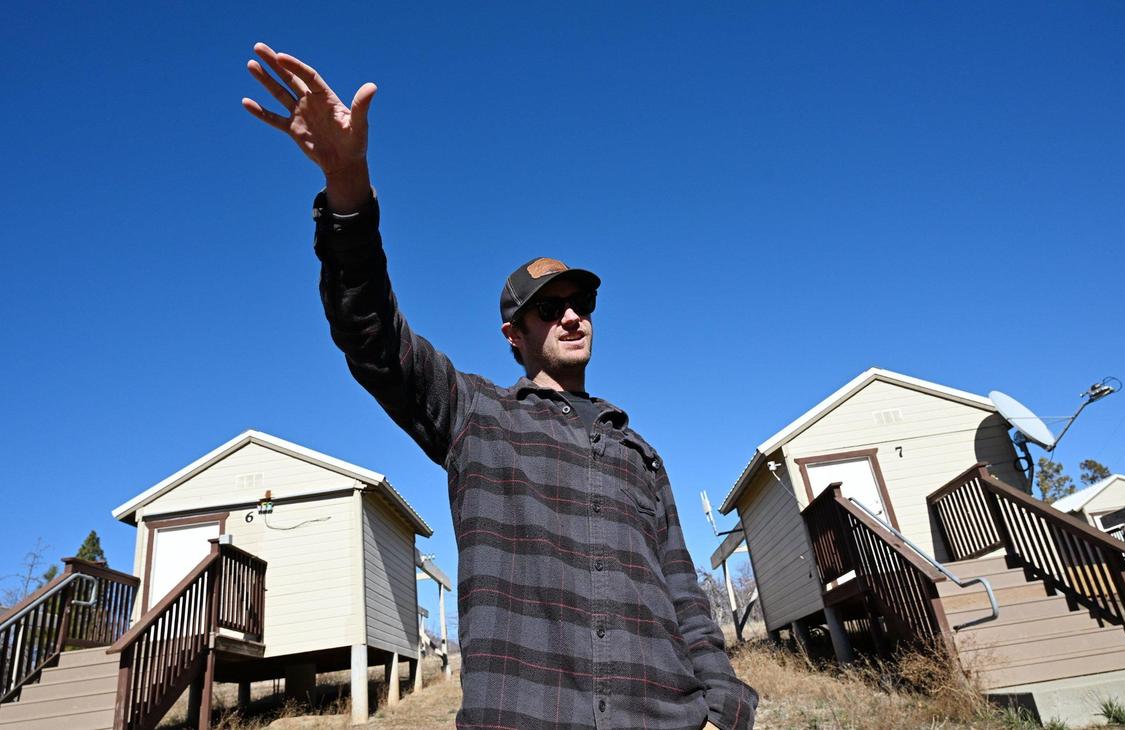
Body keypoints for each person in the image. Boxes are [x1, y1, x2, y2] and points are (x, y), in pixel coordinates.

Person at [243, 42, 758, 730]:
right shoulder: (475, 416)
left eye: (582, 304)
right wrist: (347, 186)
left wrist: (724, 707)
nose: (572, 315)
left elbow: (685, 596)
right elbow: (372, 339)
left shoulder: (641, 456)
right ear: (514, 334)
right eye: (550, 308)